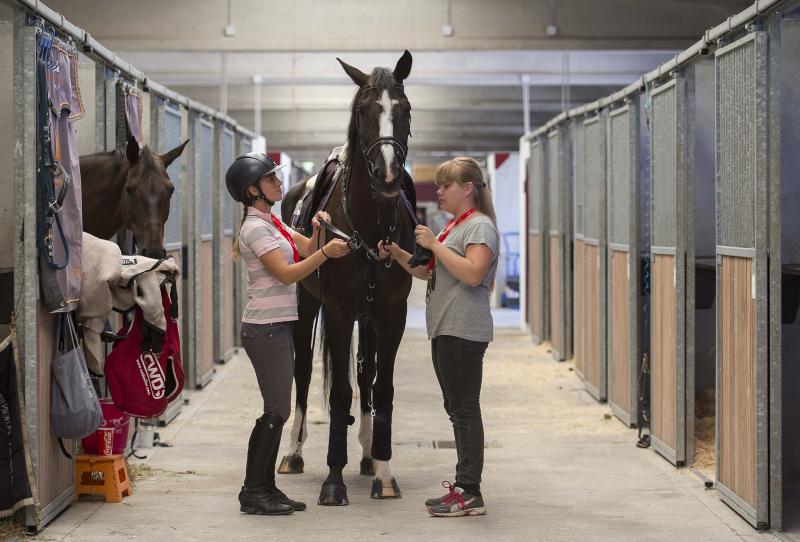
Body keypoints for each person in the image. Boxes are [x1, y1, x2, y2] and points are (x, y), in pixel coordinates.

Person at [226, 153, 350, 515]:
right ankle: (253, 491)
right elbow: (287, 274)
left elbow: (308, 247)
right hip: (265, 328)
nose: (280, 184)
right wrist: (327, 252)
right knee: (276, 410)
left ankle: (266, 487)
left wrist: (319, 230)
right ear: (253, 190)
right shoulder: (255, 229)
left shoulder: (273, 223)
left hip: (277, 325)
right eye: (271, 180)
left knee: (276, 410)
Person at [379, 156, 499, 518]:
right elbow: (427, 272)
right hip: (446, 328)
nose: (439, 191)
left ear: (467, 189)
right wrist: (399, 253)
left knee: (464, 410)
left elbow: (474, 273)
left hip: (464, 329)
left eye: (446, 186)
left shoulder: (478, 227)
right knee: (456, 410)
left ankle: (471, 491)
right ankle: (463, 486)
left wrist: (434, 244)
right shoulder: (454, 228)